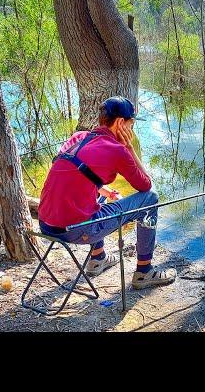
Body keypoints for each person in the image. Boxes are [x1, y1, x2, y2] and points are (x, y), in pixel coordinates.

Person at [38, 96, 176, 289]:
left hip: (46, 225)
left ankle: (98, 259)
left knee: (99, 193)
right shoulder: (117, 150)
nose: (131, 130)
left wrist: (101, 188)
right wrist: (129, 149)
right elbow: (146, 185)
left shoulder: (79, 138)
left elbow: (67, 174)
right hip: (76, 231)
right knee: (150, 200)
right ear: (121, 122)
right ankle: (144, 272)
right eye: (131, 124)